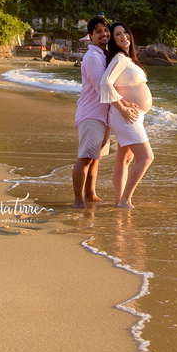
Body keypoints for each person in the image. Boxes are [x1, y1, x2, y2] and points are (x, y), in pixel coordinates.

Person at [100, 22, 154, 208]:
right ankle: (125, 200)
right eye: (118, 34)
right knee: (146, 158)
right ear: (114, 40)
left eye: (125, 33)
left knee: (125, 159)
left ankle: (119, 201)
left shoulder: (128, 59)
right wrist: (122, 108)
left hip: (132, 115)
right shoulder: (120, 58)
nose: (124, 36)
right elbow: (105, 83)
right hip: (125, 115)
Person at [72, 15, 113, 208]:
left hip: (102, 115)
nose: (103, 34)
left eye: (105, 30)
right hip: (91, 115)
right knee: (86, 158)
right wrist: (123, 106)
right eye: (98, 31)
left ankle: (90, 194)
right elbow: (101, 86)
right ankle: (79, 200)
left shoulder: (105, 55)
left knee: (96, 158)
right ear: (90, 35)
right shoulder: (93, 57)